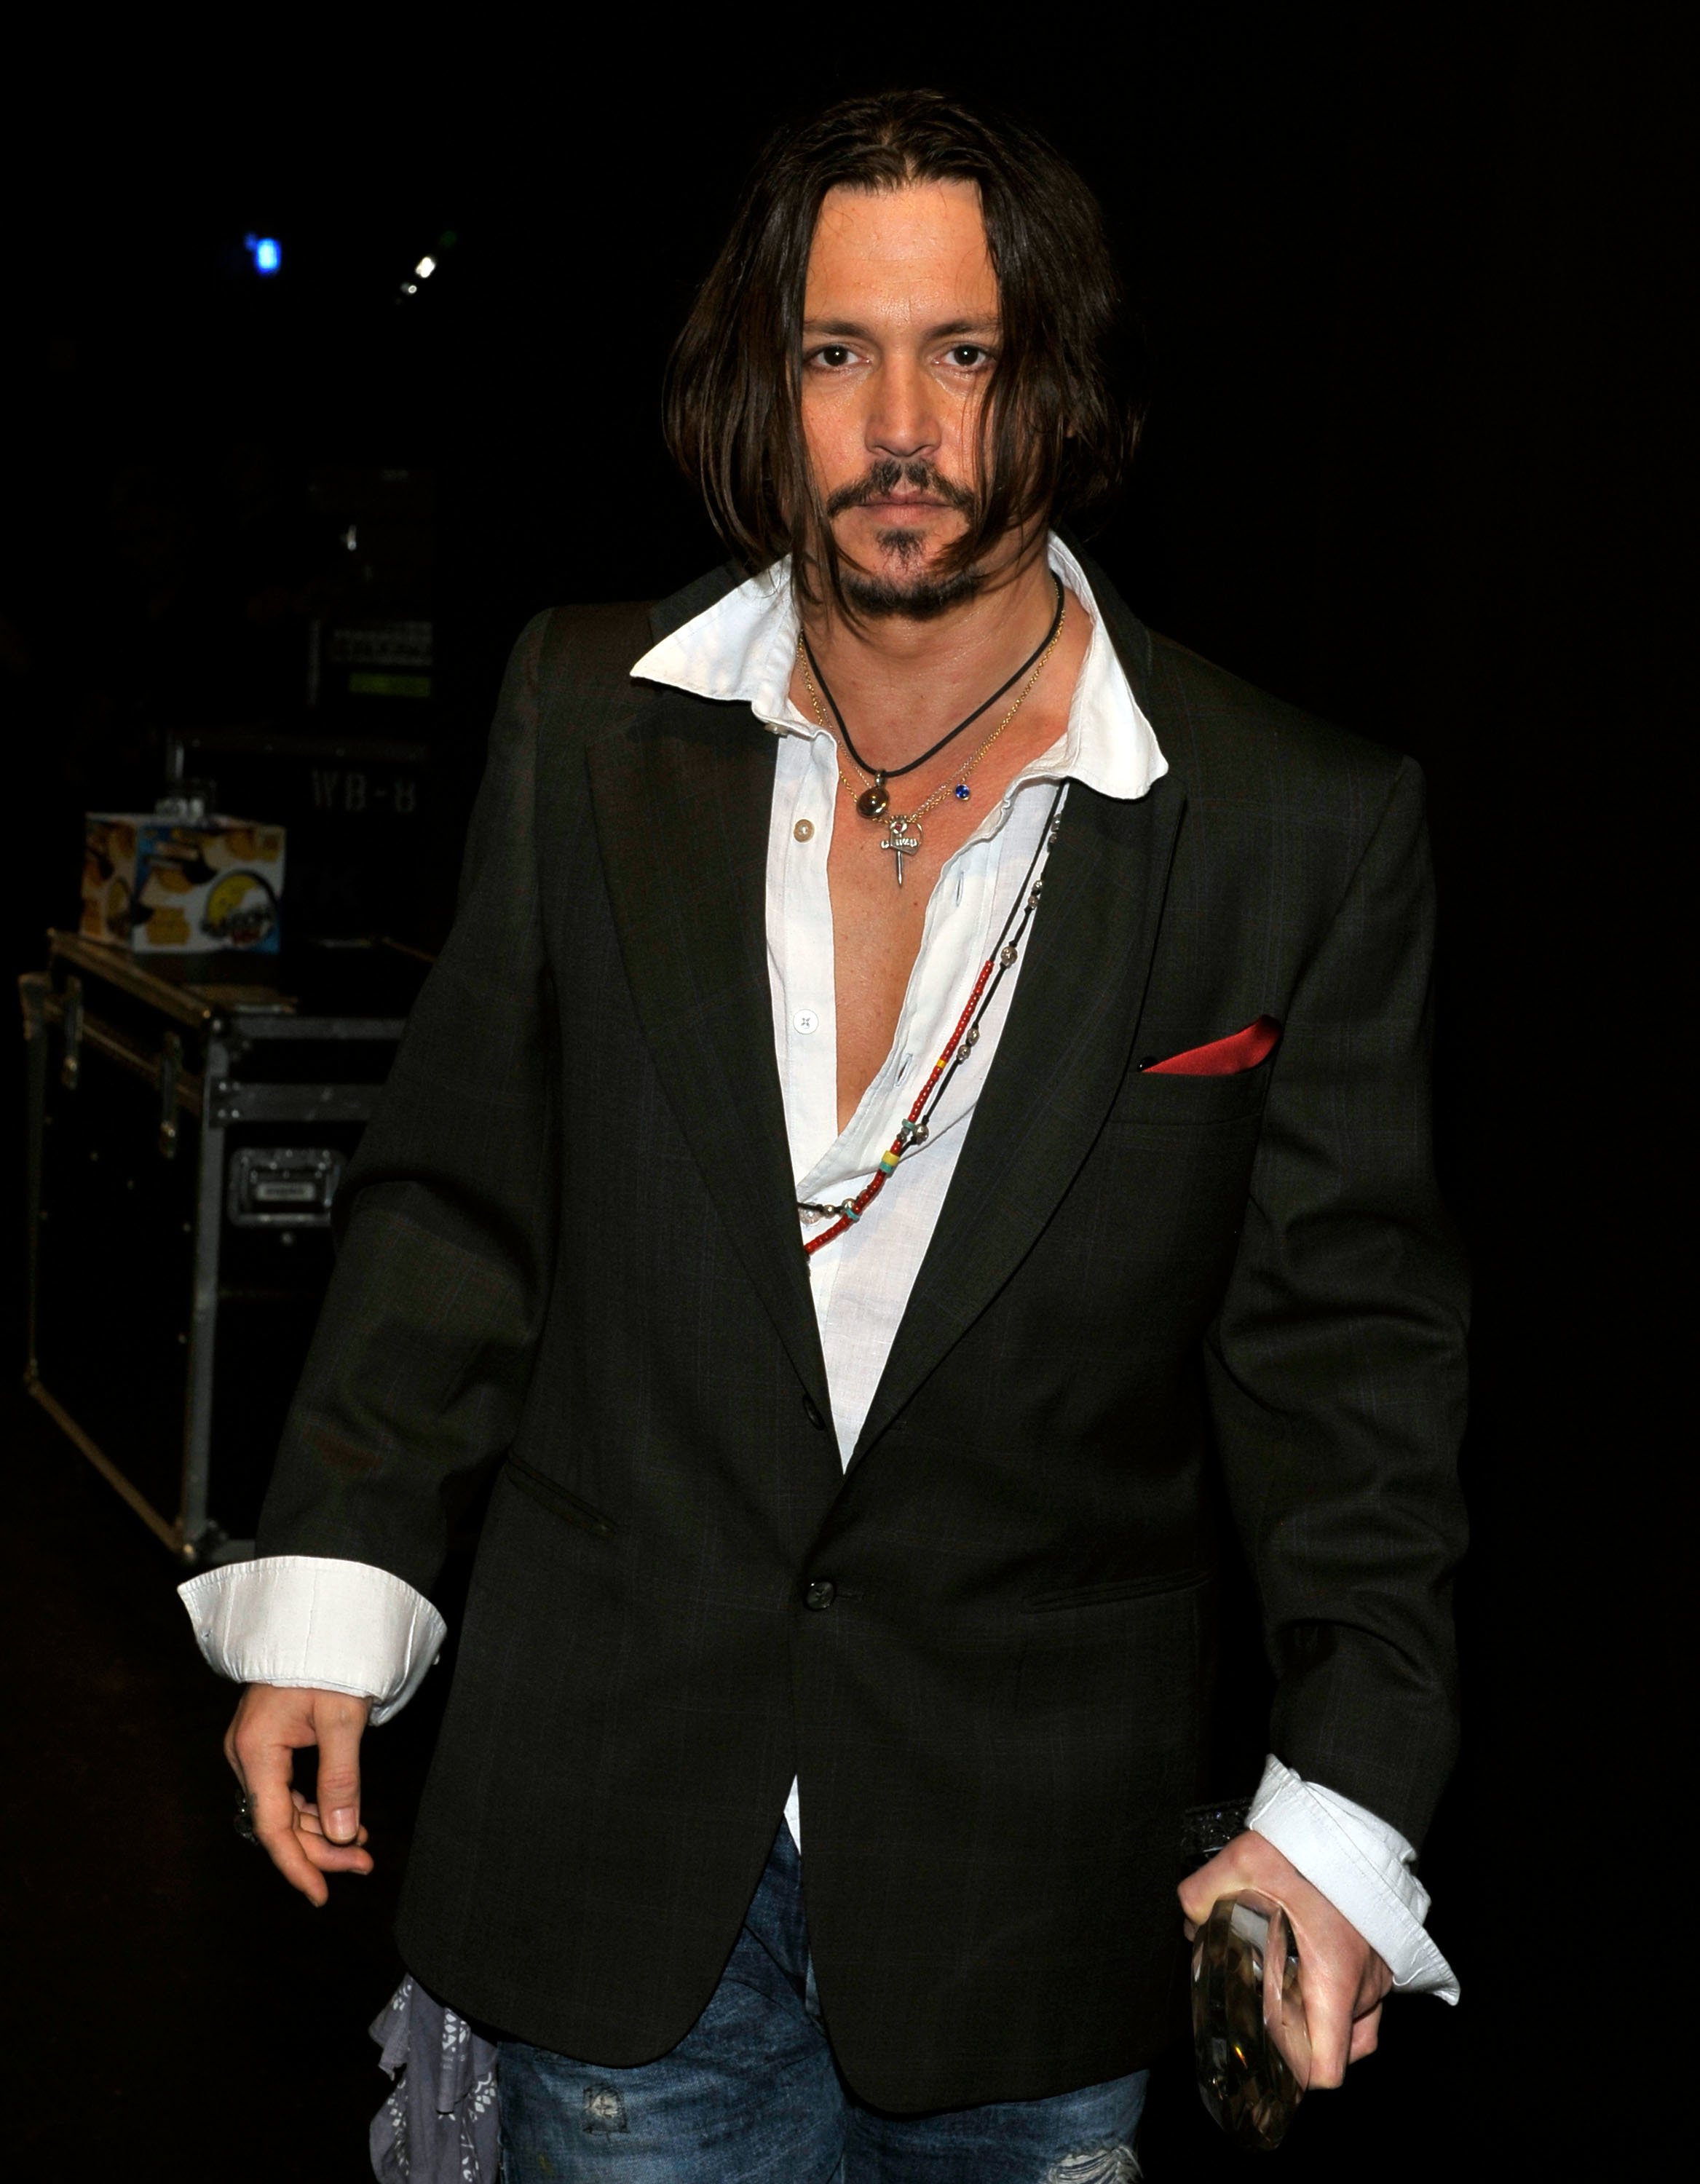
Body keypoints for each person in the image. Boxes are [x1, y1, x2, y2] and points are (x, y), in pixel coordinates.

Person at [181, 89, 1466, 2182]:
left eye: (965, 353)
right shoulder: (584, 713)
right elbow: (461, 1199)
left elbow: (1349, 1375)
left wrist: (1338, 1806)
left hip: (1033, 1900)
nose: (903, 426)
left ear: (1059, 377)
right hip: (615, 1845)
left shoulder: (1299, 825)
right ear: (756, 388)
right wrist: (338, 1573)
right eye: (836, 353)